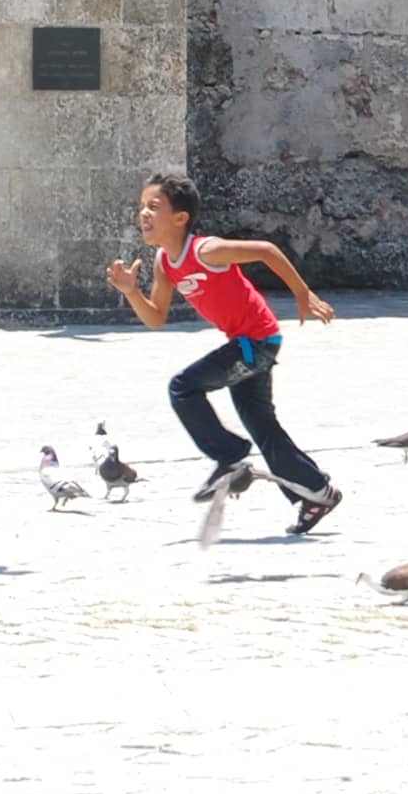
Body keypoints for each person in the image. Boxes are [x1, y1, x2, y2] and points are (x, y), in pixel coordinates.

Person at [105, 174, 345, 535]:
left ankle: (230, 456)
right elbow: (156, 317)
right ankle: (316, 492)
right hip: (249, 344)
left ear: (181, 218)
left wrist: (303, 294)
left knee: (183, 388)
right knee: (262, 426)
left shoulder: (206, 250)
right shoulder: (164, 262)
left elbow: (266, 250)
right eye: (141, 207)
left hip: (256, 343)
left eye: (154, 207)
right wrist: (131, 292)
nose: (143, 214)